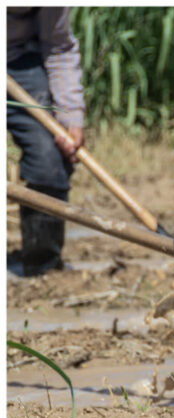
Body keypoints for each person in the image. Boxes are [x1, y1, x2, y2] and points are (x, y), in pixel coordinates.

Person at [7, 7, 85, 276]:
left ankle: (42, 268)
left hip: (17, 62)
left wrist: (71, 116)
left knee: (49, 158)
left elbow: (59, 46)